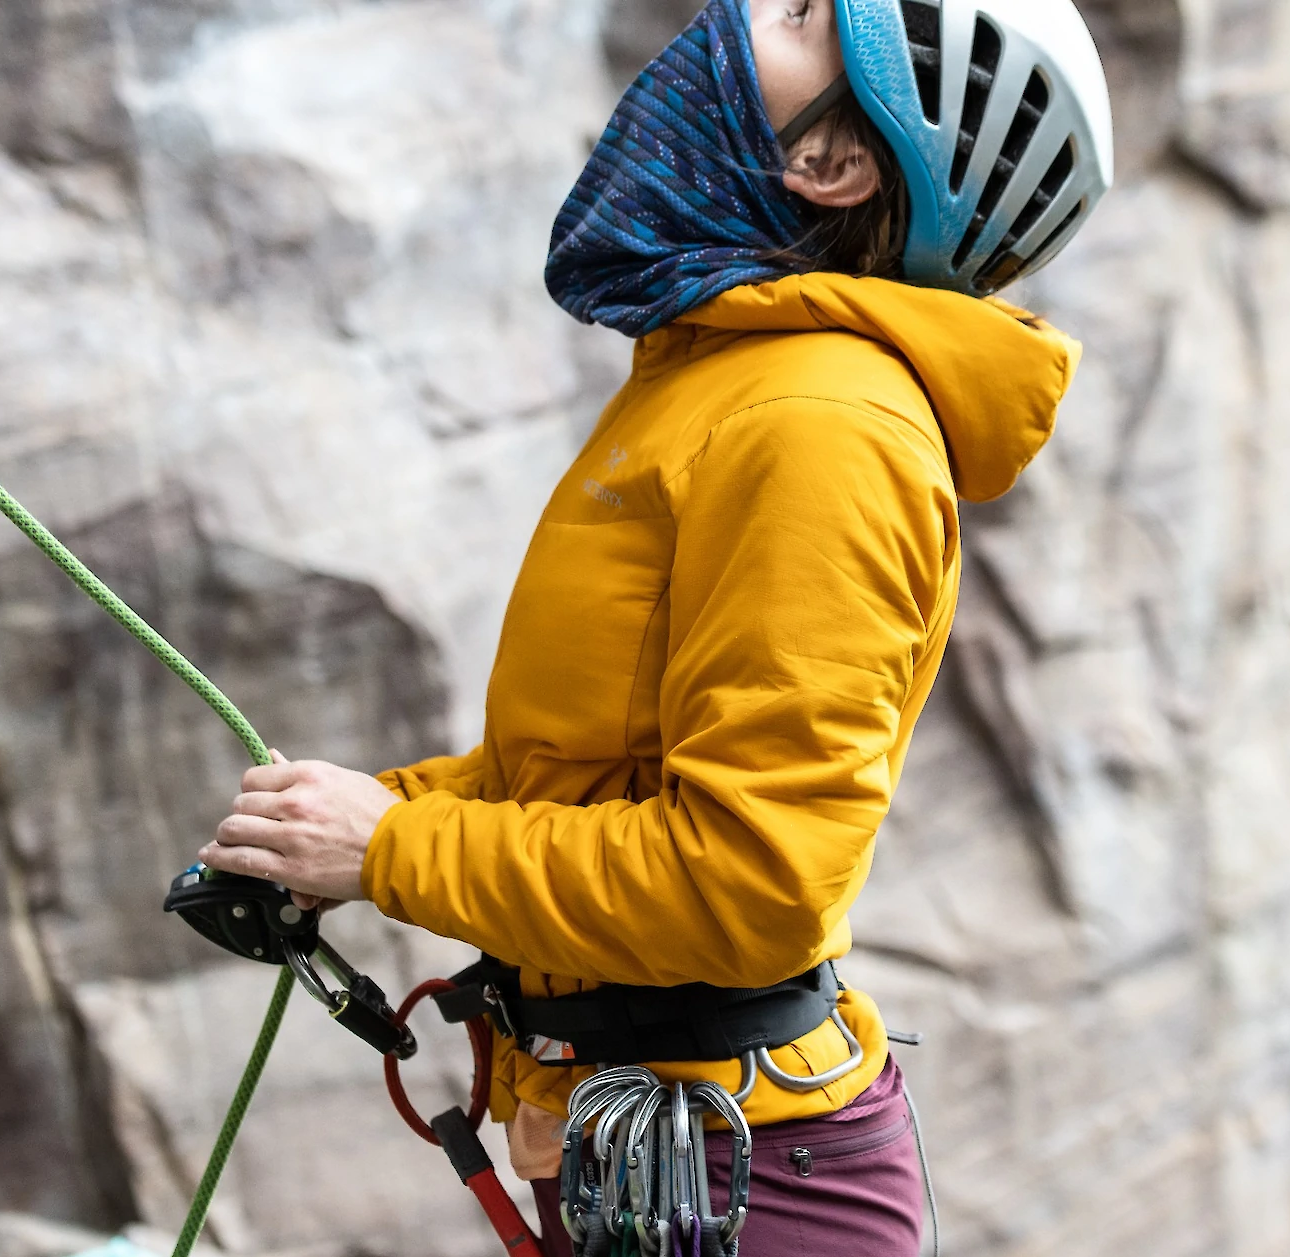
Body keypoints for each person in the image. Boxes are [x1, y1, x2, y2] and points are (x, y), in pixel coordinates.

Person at [198, 1, 1113, 1252]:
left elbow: (751, 884)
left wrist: (396, 847)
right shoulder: (716, 378)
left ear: (832, 167)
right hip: (652, 1154)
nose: (730, 14)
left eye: (795, 16)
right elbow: (593, 764)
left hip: (745, 1192)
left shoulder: (821, 427)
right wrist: (342, 825)